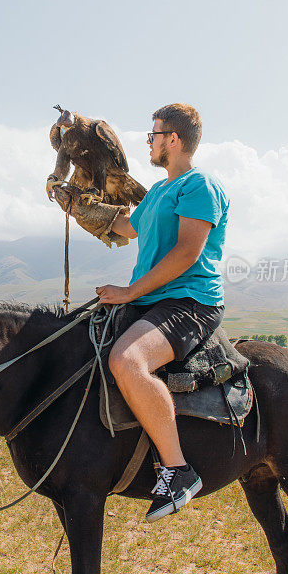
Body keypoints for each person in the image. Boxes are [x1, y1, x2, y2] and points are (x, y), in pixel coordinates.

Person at [95, 103, 229, 523]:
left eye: (153, 135)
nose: (149, 142)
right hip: (153, 300)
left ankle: (178, 470)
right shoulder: (158, 192)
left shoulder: (199, 185)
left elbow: (188, 253)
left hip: (190, 301)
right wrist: (81, 206)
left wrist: (130, 290)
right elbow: (129, 227)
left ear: (173, 139)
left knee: (126, 360)